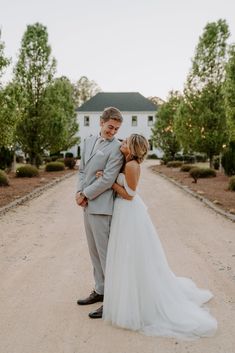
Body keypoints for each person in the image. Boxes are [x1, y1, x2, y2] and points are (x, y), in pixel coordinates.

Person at [101, 134, 217, 339]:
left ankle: (138, 302)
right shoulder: (127, 162)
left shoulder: (132, 166)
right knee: (127, 254)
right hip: (124, 212)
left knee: (132, 254)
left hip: (128, 211)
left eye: (126, 142)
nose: (123, 143)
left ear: (133, 148)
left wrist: (108, 182)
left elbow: (130, 194)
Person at [76, 106, 124, 319]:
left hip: (103, 208)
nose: (113, 132)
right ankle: (100, 290)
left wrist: (86, 193)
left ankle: (112, 300)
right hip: (86, 205)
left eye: (116, 129)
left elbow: (107, 179)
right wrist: (79, 192)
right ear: (101, 122)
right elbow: (82, 170)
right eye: (110, 127)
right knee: (94, 252)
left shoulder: (117, 148)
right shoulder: (87, 142)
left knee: (106, 257)